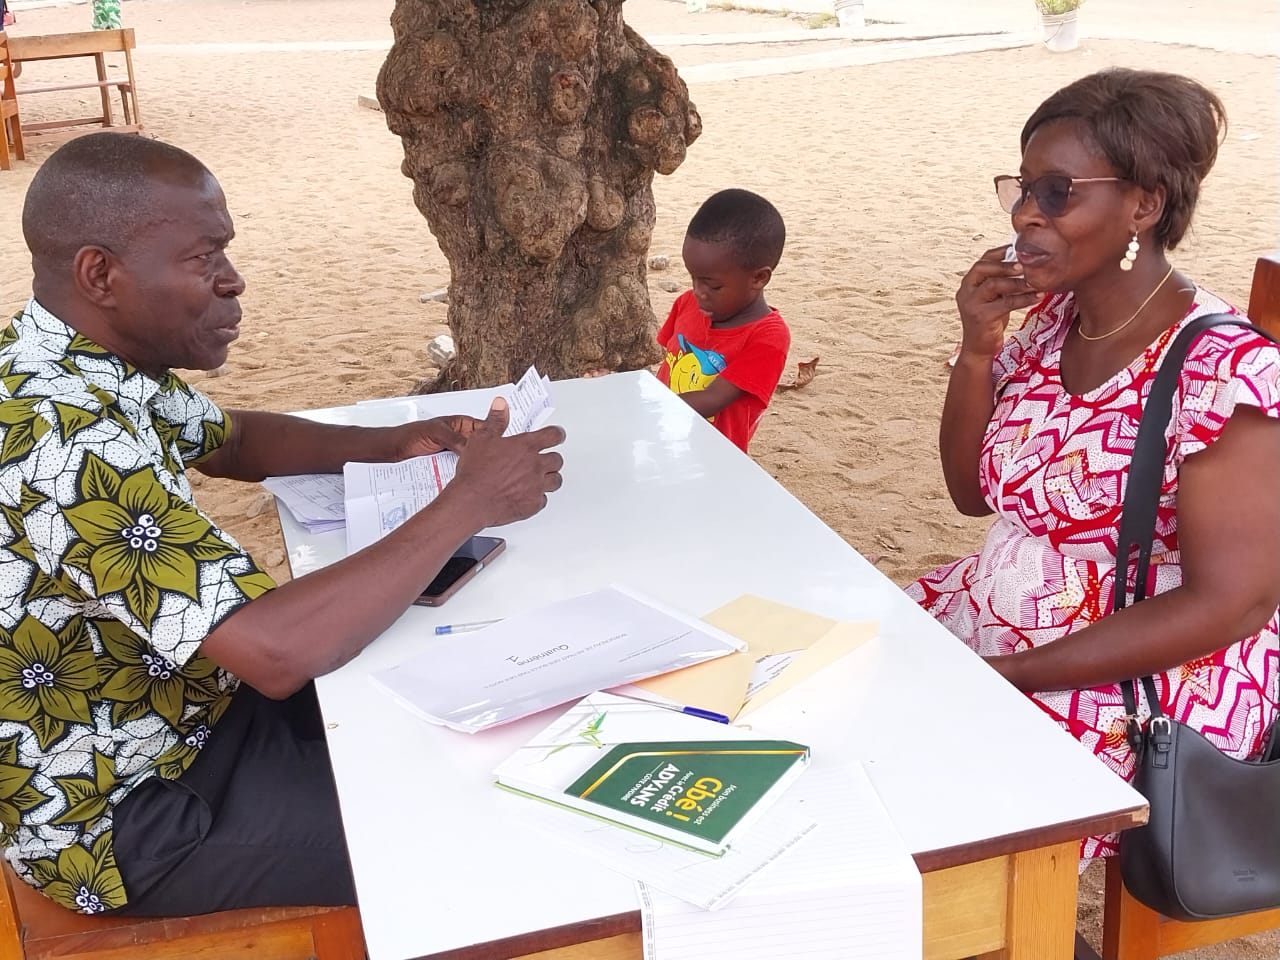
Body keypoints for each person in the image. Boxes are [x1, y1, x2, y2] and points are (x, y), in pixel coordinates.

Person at [0, 132, 565, 915]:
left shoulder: (77, 359)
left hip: (195, 711)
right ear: (101, 274)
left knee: (466, 711)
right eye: (204, 259)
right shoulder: (63, 437)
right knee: (491, 839)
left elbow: (232, 440)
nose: (232, 281)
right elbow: (275, 652)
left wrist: (395, 441)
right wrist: (469, 502)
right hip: (129, 811)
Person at [908, 68, 1280, 861]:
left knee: (933, 813)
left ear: (1144, 205)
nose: (1025, 213)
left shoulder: (1225, 373)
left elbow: (1232, 605)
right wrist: (977, 351)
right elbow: (972, 495)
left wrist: (1014, 674)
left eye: (1057, 192)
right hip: (999, 626)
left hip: (1149, 684)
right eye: (1022, 188)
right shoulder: (1051, 323)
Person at [655, 188, 790, 453]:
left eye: (713, 285)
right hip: (662, 437)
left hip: (712, 458)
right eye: (693, 277)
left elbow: (714, 397)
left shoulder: (768, 337)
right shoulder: (687, 303)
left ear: (758, 278)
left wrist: (645, 408)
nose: (698, 291)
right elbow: (665, 367)